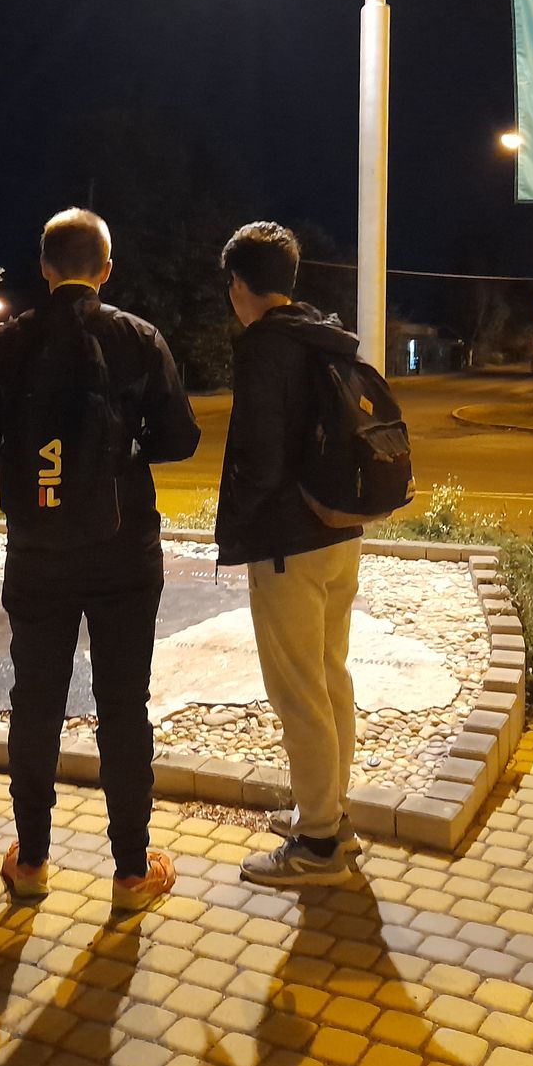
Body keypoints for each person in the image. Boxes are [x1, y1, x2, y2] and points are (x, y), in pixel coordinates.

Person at [0, 207, 200, 911]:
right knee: (123, 705)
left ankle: (31, 862)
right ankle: (130, 873)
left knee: (36, 703)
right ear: (106, 269)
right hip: (124, 553)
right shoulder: (138, 339)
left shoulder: (9, 343)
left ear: (44, 267)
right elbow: (181, 438)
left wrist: (32, 466)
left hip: (37, 550)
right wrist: (123, 451)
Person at [216, 221, 362, 888]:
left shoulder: (263, 348)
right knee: (329, 677)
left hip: (288, 544)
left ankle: (318, 844)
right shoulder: (322, 335)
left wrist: (242, 528)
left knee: (299, 691)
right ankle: (330, 813)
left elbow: (259, 458)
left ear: (239, 285)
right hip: (338, 531)